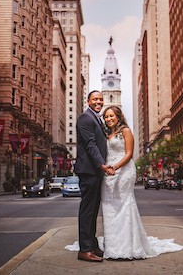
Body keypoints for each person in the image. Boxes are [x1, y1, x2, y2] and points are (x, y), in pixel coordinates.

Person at [101, 105, 183, 260]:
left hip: (123, 171)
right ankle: (113, 245)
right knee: (109, 206)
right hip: (108, 173)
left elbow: (129, 154)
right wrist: (107, 168)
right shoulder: (107, 133)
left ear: (119, 116)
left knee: (124, 205)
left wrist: (116, 167)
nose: (109, 119)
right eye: (106, 116)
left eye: (112, 115)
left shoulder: (125, 131)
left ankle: (127, 247)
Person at [74, 90, 114, 263]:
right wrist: (102, 164)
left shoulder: (96, 118)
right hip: (89, 170)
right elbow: (90, 144)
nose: (98, 101)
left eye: (100, 99)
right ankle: (84, 249)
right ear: (88, 101)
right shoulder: (85, 118)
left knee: (93, 211)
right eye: (95, 99)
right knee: (87, 211)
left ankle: (93, 245)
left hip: (94, 171)